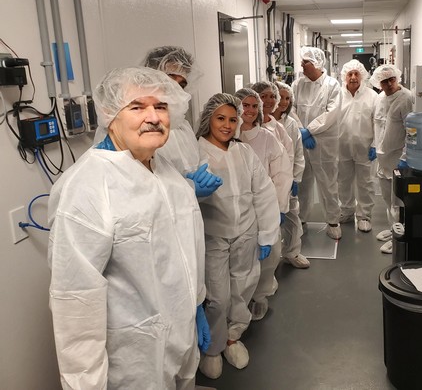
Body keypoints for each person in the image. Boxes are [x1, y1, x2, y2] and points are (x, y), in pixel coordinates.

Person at [47, 67, 209, 389]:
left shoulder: (165, 171)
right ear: (110, 115)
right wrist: (86, 382)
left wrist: (197, 303)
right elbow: (76, 300)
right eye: (137, 107)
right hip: (133, 358)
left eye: (161, 106)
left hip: (180, 337)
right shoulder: (88, 187)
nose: (153, 117)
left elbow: (186, 251)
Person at [196, 93, 280, 379]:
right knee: (217, 297)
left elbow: (263, 191)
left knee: (243, 286)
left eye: (233, 120)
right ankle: (213, 347)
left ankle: (233, 337)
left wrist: (266, 234)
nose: (227, 125)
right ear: (208, 119)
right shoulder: (196, 152)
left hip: (246, 231)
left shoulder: (244, 152)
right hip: (213, 236)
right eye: (220, 118)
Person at [93, 46, 223, 197]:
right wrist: (185, 188)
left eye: (181, 85)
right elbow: (125, 188)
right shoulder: (121, 127)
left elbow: (198, 159)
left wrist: (203, 177)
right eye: (168, 80)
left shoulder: (183, 125)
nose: (175, 89)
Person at [234, 88, 294, 320]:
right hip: (236, 209)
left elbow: (281, 174)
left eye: (253, 106)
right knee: (240, 258)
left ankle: (260, 295)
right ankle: (240, 300)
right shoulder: (227, 135)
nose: (249, 110)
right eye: (244, 105)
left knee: (268, 254)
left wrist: (279, 206)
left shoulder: (267, 138)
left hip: (263, 205)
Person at [292, 46, 342, 239]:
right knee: (303, 183)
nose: (302, 65)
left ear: (317, 63)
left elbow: (331, 113)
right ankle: (301, 220)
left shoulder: (332, 85)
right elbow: (291, 108)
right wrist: (301, 131)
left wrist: (310, 130)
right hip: (301, 141)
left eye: (306, 62)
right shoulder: (298, 84)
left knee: (328, 183)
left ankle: (333, 222)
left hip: (324, 142)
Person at [371, 65, 413, 253]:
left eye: (391, 79)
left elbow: (412, 132)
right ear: (378, 83)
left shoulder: (406, 99)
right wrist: (374, 146)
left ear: (397, 78)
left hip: (398, 158)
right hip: (383, 159)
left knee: (399, 202)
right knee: (388, 200)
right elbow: (377, 124)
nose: (388, 84)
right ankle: (393, 229)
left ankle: (400, 239)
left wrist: (405, 157)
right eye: (384, 81)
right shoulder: (380, 98)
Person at [338, 59, 379, 233]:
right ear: (344, 76)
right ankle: (347, 211)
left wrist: (375, 144)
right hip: (341, 147)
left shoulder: (372, 96)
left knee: (366, 182)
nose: (353, 77)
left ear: (362, 75)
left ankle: (364, 216)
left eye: (356, 74)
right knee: (343, 181)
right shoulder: (337, 95)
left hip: (365, 148)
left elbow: (378, 122)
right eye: (350, 74)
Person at [273, 81, 310, 269]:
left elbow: (298, 154)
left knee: (293, 216)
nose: (284, 102)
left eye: (288, 98)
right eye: (280, 97)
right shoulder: (260, 122)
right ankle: (270, 259)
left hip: (288, 180)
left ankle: (292, 252)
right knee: (268, 220)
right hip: (268, 181)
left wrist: (295, 178)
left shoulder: (291, 124)